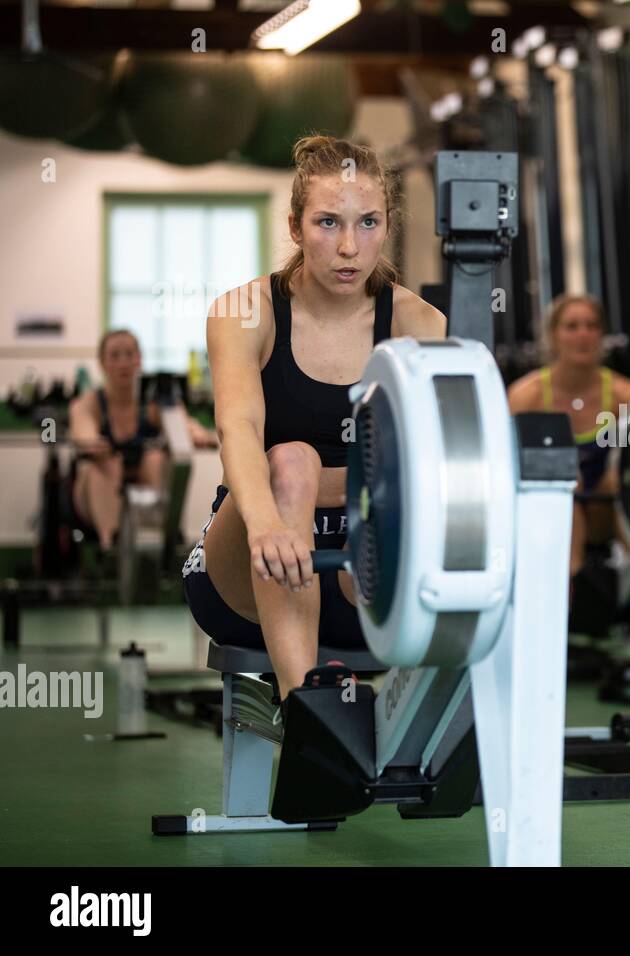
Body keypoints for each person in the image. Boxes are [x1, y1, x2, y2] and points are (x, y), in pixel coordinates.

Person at [181, 135, 447, 699]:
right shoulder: (245, 311)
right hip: (247, 575)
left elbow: (426, 466)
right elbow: (239, 430)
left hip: (360, 571)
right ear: (296, 228)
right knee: (293, 461)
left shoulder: (419, 323)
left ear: (388, 225)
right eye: (328, 223)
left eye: (368, 223)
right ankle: (305, 717)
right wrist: (270, 522)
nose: (349, 246)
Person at [506, 294, 630, 582]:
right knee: (565, 482)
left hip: (607, 507)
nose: (583, 335)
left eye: (592, 326)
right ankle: (570, 586)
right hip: (550, 509)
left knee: (618, 479)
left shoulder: (626, 396)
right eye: (572, 327)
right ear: (554, 337)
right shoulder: (525, 396)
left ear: (602, 335)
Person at [68, 328, 215, 552]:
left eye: (129, 354)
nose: (123, 363)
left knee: (155, 459)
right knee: (105, 465)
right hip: (98, 488)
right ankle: (112, 547)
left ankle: (154, 545)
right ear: (102, 362)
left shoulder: (152, 404)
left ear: (139, 360)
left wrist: (197, 435)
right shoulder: (89, 403)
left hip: (144, 484)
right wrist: (91, 442)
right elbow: (82, 429)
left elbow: (183, 423)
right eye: (115, 356)